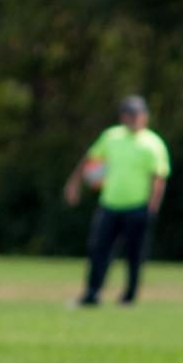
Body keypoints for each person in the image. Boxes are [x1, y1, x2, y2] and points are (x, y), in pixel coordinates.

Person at [63, 95, 170, 306]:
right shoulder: (111, 136)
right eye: (129, 114)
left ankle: (129, 296)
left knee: (134, 254)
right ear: (123, 116)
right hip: (110, 204)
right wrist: (74, 184)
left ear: (144, 116)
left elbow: (158, 178)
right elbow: (91, 159)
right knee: (98, 250)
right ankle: (92, 293)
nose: (133, 119)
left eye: (137, 114)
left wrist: (152, 208)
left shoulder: (153, 143)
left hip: (137, 207)